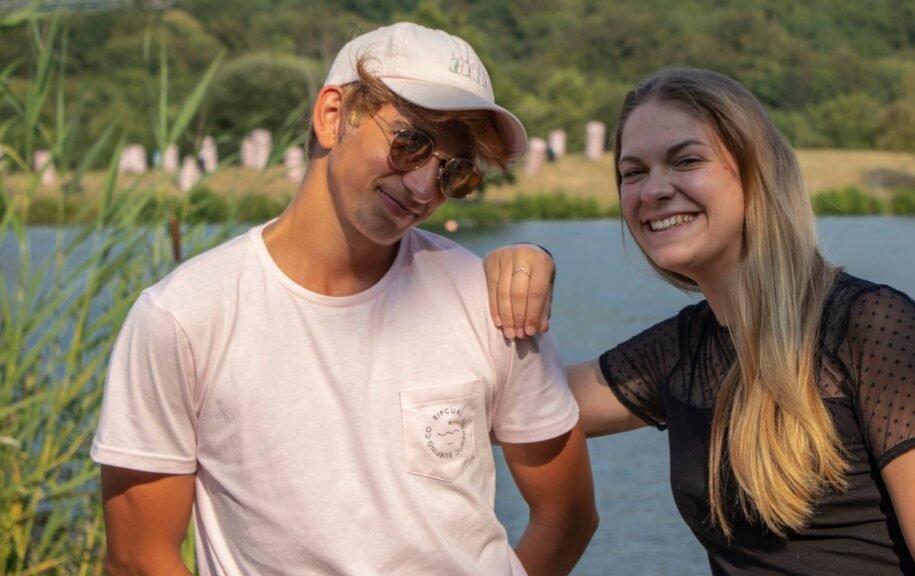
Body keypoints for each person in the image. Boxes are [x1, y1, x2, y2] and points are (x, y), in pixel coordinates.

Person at [92, 22, 597, 575]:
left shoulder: (490, 302)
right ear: (333, 116)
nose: (424, 188)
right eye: (411, 143)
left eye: (454, 172)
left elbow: (567, 515)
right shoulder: (184, 316)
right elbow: (139, 558)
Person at [485, 67, 915, 574]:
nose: (653, 190)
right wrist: (524, 260)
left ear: (759, 172)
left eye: (687, 160)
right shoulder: (683, 349)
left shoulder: (870, 325)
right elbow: (500, 407)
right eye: (633, 172)